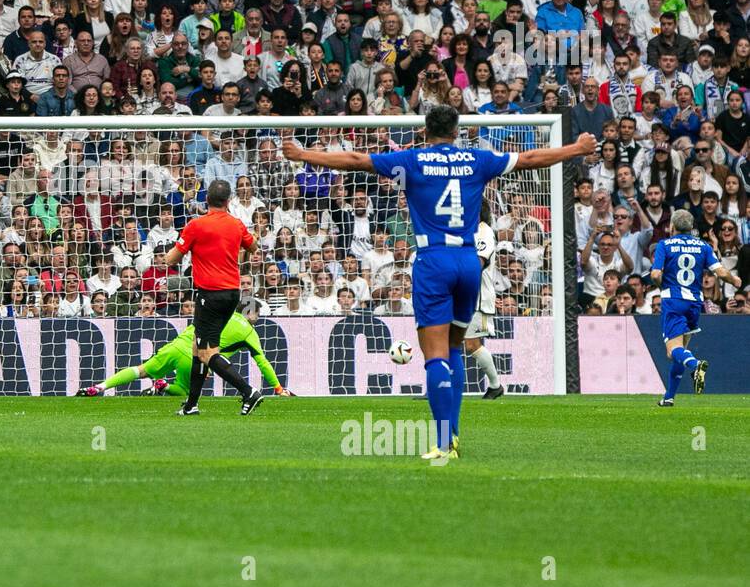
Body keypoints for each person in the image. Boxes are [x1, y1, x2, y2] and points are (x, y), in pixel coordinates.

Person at [283, 105, 597, 461]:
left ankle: (444, 443)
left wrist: (302, 154)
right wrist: (576, 148)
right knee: (454, 348)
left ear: (425, 129)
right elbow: (530, 158)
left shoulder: (413, 159)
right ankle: (455, 435)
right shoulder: (478, 159)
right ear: (457, 130)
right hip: (468, 262)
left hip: (433, 261)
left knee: (434, 356)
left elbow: (356, 159)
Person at [162, 178, 265, 415]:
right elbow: (253, 247)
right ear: (228, 201)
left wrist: (179, 247)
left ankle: (248, 391)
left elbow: (172, 259)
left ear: (206, 199)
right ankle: (191, 404)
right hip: (232, 294)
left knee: (208, 352)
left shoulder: (196, 226)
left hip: (210, 294)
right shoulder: (236, 224)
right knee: (198, 348)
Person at [76, 311, 287, 397]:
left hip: (176, 345)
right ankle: (164, 386)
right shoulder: (250, 333)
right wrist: (278, 388)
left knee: (140, 370)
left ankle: (99, 387)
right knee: (187, 392)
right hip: (194, 357)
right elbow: (263, 363)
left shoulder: (222, 312)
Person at [651, 208, 742, 406]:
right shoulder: (703, 246)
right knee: (679, 351)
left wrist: (661, 285)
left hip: (673, 301)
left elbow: (656, 275)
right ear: (692, 227)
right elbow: (720, 272)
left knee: (673, 350)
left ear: (672, 227)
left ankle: (696, 365)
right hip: (694, 303)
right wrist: (734, 280)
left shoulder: (664, 245)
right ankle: (669, 398)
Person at [467, 205, 504, 400]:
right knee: (445, 340)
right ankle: (437, 388)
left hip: (477, 298)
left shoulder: (484, 231)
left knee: (472, 344)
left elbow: (478, 262)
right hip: (461, 295)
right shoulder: (465, 230)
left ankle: (496, 385)